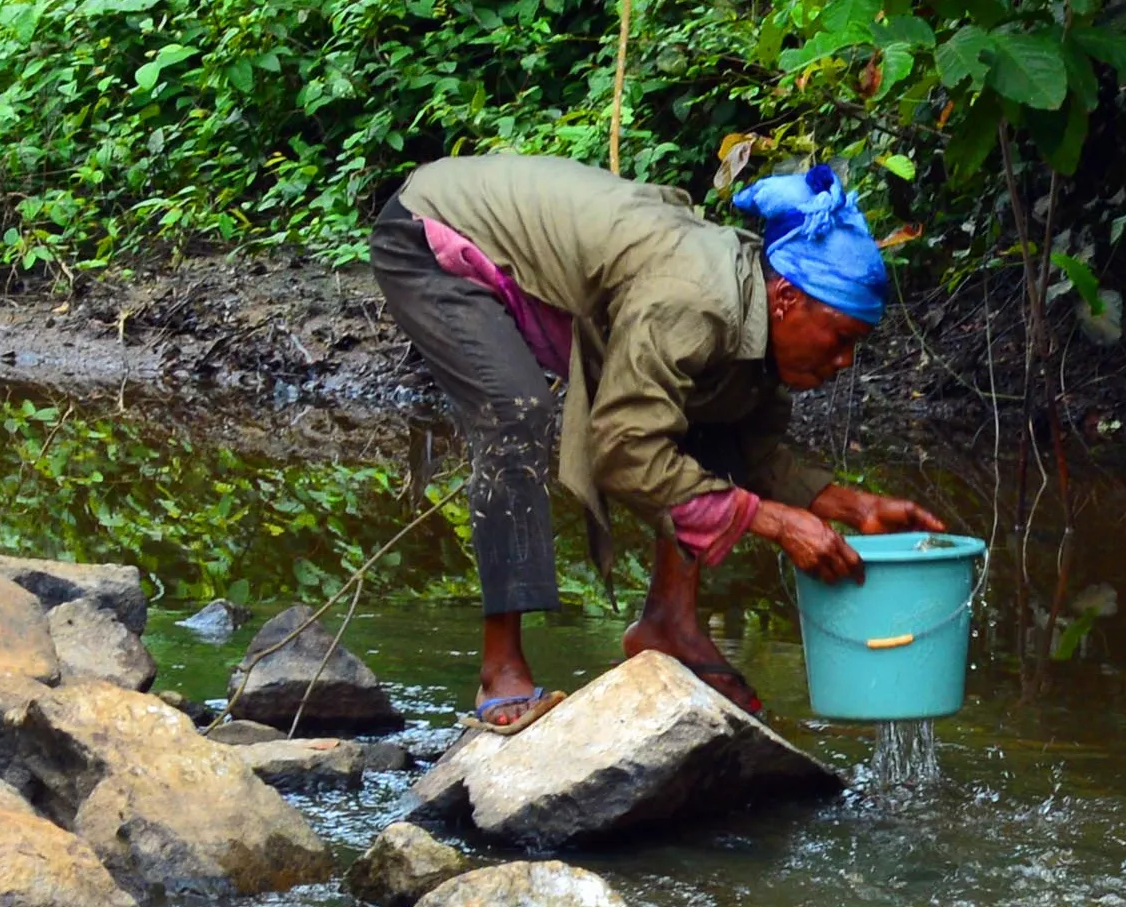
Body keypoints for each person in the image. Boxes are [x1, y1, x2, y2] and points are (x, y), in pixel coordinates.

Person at [369, 154, 947, 731]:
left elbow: (756, 457)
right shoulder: (696, 301)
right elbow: (623, 448)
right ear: (787, 299)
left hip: (540, 255)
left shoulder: (755, 322)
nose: (844, 362)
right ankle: (501, 667)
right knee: (516, 412)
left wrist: (853, 507)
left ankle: (669, 623)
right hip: (437, 231)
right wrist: (775, 522)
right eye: (841, 338)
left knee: (710, 405)